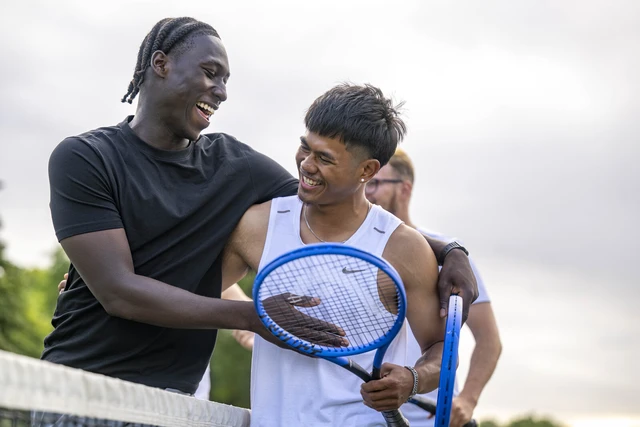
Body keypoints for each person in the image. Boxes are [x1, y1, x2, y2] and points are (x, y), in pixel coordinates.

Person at [45, 16, 478, 396]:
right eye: (211, 73)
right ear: (161, 65)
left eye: (227, 80)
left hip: (174, 398)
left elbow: (344, 207)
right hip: (82, 384)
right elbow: (119, 293)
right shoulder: (84, 157)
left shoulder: (235, 165)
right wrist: (256, 316)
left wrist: (450, 250)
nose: (222, 91)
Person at [220, 83, 445, 426]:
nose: (307, 165)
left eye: (325, 158)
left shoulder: (404, 248)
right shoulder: (257, 225)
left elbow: (442, 348)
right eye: (304, 148)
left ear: (367, 171)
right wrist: (253, 315)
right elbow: (194, 298)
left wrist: (412, 380)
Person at [366, 149, 502, 427]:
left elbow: (489, 342)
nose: (367, 191)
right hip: (366, 416)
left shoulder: (453, 259)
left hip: (431, 419)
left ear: (404, 189)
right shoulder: (355, 253)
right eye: (365, 182)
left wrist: (467, 400)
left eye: (376, 183)